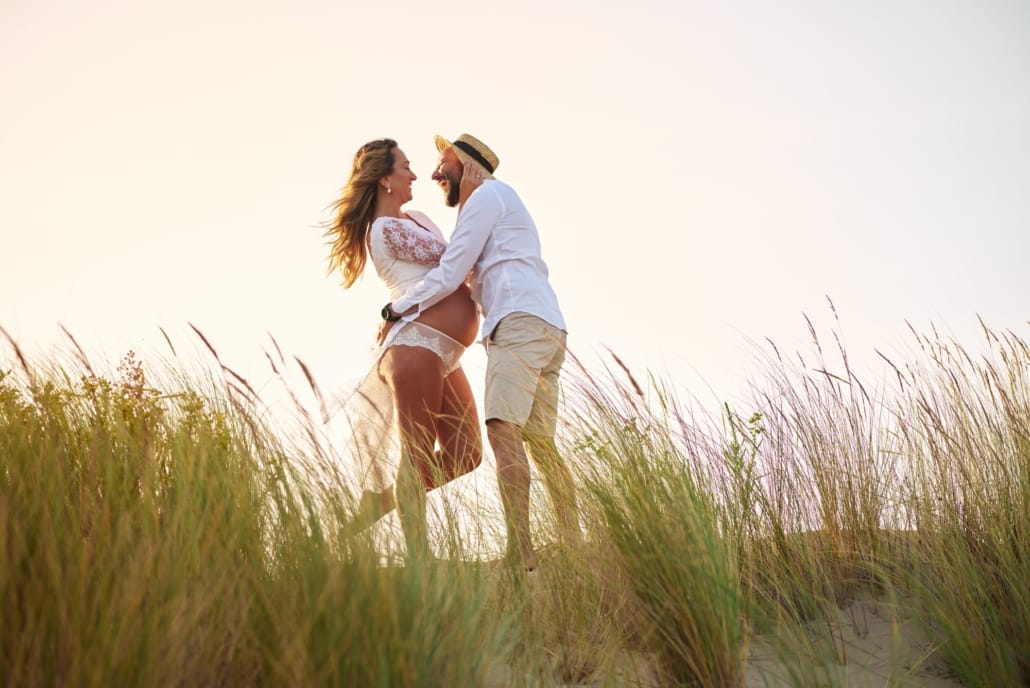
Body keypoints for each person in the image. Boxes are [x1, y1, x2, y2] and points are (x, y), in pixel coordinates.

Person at [383, 133, 580, 571]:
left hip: (518, 323)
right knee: (541, 443)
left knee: (502, 431)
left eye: (443, 163)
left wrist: (396, 309)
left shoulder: (485, 197)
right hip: (545, 323)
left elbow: (453, 268)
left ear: (469, 166)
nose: (435, 173)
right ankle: (574, 543)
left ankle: (520, 551)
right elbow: (471, 270)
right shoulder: (500, 199)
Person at [324, 138, 485, 559]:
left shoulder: (416, 218)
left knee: (467, 453)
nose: (415, 175)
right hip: (416, 346)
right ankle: (420, 562)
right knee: (416, 457)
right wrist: (468, 203)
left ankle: (381, 501)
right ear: (385, 180)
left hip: (445, 351)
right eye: (406, 167)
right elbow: (457, 264)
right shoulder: (385, 229)